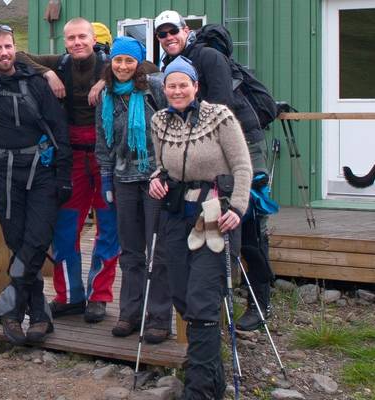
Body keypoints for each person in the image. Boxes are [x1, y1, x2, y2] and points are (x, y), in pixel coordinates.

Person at [155, 10, 274, 331]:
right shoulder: (174, 66)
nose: (168, 38)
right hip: (208, 153)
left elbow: (221, 105)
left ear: (185, 30)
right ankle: (214, 299)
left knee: (248, 220)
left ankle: (259, 303)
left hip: (241, 145)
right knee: (211, 222)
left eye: (173, 31)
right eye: (162, 34)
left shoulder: (207, 57)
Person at [0, 24, 71, 345]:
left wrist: (63, 175)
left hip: (41, 173)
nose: (4, 53)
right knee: (18, 241)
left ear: (15, 47)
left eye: (8, 46)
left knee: (36, 240)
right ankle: (38, 315)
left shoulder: (37, 84)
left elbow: (58, 129)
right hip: (4, 173)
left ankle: (9, 311)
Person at [149, 56, 251, 398]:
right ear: (164, 89)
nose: (177, 90)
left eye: (184, 84)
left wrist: (237, 207)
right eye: (172, 85)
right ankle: (210, 379)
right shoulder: (158, 120)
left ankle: (199, 390)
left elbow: (242, 166)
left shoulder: (220, 116)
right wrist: (155, 180)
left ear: (196, 86)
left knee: (203, 300)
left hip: (214, 212)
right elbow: (160, 165)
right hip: (176, 214)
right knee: (181, 294)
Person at [16, 18, 119, 323]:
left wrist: (108, 77)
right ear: (65, 41)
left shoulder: (111, 63)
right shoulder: (59, 64)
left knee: (108, 231)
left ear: (93, 39)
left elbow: (147, 68)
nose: (77, 42)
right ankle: (70, 296)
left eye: (82, 37)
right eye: (71, 38)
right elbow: (20, 55)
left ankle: (99, 297)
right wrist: (47, 73)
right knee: (64, 229)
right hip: (71, 159)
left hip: (105, 160)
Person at [94, 36, 172, 343]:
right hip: (122, 178)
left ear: (138, 63)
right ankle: (129, 312)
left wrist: (168, 170)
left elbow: (173, 127)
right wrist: (104, 177)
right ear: (110, 63)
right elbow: (102, 139)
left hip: (155, 177)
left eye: (129, 61)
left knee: (159, 250)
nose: (123, 66)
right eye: (117, 60)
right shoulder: (106, 96)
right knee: (130, 250)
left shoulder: (155, 89)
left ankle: (159, 317)